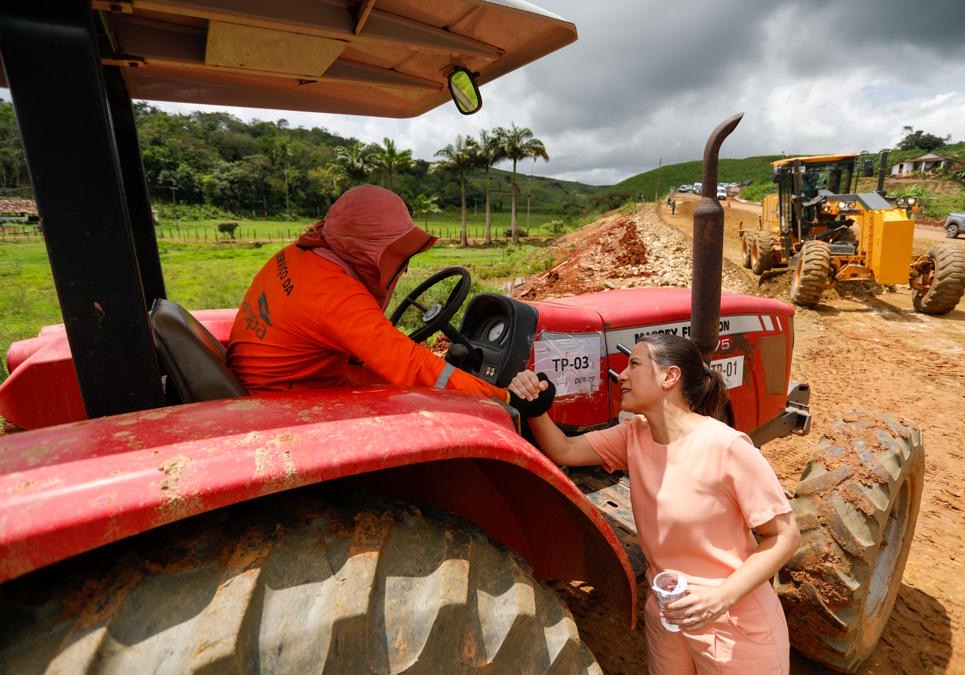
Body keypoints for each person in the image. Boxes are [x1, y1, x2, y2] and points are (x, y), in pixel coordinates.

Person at [508, 334, 800, 674]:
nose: (622, 376)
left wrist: (720, 597)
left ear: (669, 377)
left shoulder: (727, 447)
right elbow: (565, 450)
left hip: (733, 622)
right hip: (668, 616)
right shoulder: (634, 436)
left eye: (634, 364)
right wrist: (534, 407)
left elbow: (785, 536)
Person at [228, 184, 520, 405]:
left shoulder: (297, 255)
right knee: (415, 404)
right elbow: (410, 365)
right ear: (366, 251)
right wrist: (502, 398)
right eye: (394, 256)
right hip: (283, 400)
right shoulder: (334, 295)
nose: (401, 270)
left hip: (277, 378)